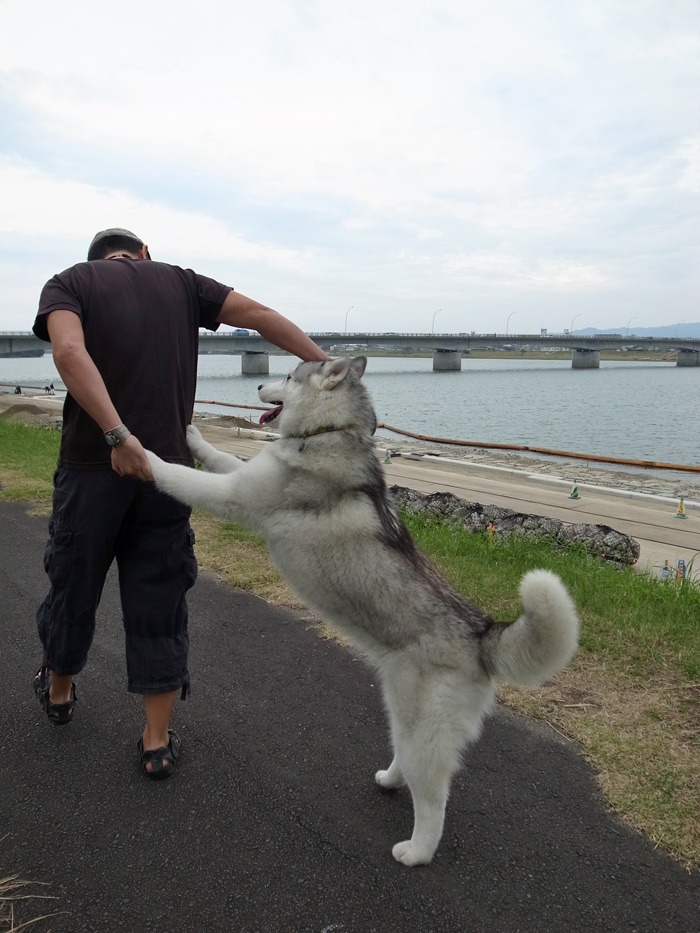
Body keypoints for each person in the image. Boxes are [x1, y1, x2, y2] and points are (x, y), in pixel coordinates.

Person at [32, 227, 330, 779]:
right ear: (145, 252)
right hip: (166, 472)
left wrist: (117, 436)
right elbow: (260, 315)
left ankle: (59, 691)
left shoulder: (69, 283)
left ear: (96, 258)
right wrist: (326, 367)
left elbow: (68, 352)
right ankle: (156, 741)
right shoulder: (182, 282)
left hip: (91, 468)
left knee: (74, 583)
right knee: (159, 595)